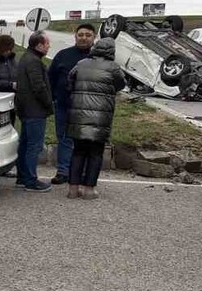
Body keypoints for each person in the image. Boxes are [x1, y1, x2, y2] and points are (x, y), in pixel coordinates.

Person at [66, 37, 126, 200]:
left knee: (78, 152)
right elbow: (121, 84)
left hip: (78, 115)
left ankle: (72, 188)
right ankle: (89, 190)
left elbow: (70, 81)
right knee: (95, 154)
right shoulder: (113, 68)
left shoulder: (81, 63)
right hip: (100, 116)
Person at [47, 23, 97, 185]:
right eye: (80, 34)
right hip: (64, 106)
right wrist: (54, 97)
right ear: (75, 36)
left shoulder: (99, 58)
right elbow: (51, 78)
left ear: (94, 37)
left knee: (85, 140)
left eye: (88, 35)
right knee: (64, 139)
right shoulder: (63, 55)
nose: (84, 38)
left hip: (89, 108)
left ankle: (82, 173)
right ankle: (63, 171)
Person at [14, 30, 54, 192]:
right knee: (33, 146)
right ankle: (31, 180)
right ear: (39, 45)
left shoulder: (26, 58)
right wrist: (48, 104)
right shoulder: (34, 62)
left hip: (26, 109)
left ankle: (22, 177)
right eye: (47, 44)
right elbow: (38, 87)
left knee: (25, 144)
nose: (48, 47)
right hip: (34, 110)